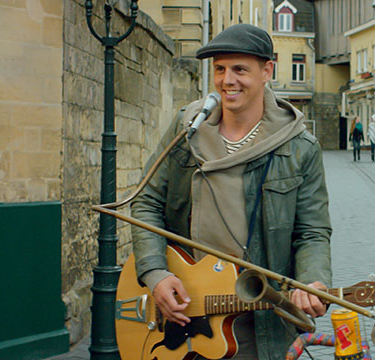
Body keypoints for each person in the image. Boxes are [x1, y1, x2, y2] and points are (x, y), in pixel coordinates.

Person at [130, 24, 332, 360]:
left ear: (267, 70)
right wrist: (155, 274)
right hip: (183, 317)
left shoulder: (300, 147)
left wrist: (313, 282)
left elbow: (312, 232)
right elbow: (146, 200)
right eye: (220, 69)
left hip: (259, 326)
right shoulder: (186, 131)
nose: (227, 80)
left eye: (240, 69)